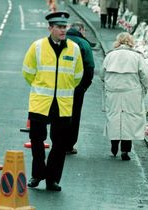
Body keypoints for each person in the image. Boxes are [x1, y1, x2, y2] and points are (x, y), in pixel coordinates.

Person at [22, 11, 83, 191]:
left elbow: (78, 76)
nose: (63, 30)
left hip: (63, 104)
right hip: (40, 102)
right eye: (59, 27)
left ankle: (52, 179)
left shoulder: (74, 49)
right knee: (37, 139)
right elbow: (27, 72)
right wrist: (41, 86)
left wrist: (64, 88)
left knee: (60, 143)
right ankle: (37, 174)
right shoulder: (37, 47)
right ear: (50, 28)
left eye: (65, 27)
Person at [102, 32, 148, 160]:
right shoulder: (137, 57)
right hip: (132, 91)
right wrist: (145, 87)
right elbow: (145, 76)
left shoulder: (110, 56)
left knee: (114, 116)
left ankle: (114, 145)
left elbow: (102, 74)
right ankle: (125, 150)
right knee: (129, 119)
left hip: (113, 91)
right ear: (131, 42)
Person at [65, 22, 95, 154]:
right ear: (81, 30)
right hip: (77, 86)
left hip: (59, 84)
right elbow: (89, 67)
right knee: (74, 114)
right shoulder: (83, 44)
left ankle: (58, 142)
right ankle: (69, 144)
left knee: (59, 113)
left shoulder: (61, 40)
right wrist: (85, 85)